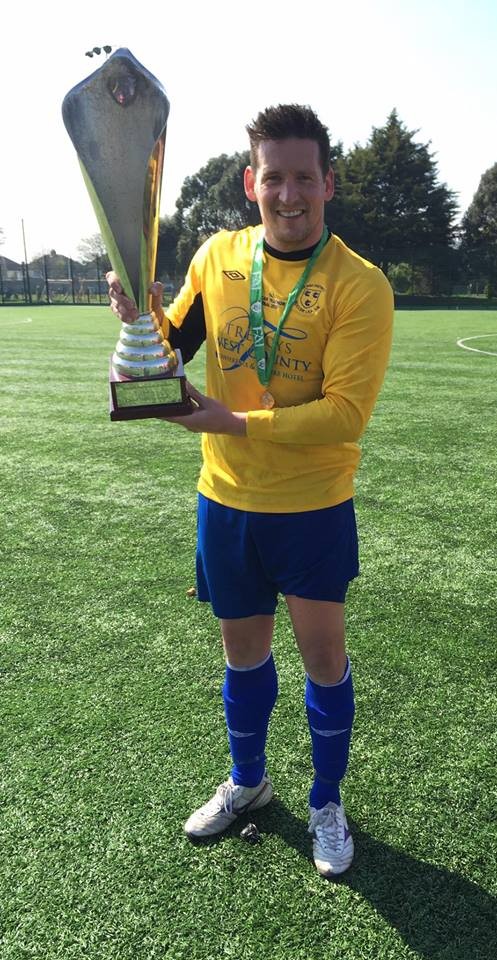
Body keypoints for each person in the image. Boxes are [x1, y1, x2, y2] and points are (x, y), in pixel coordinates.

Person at [107, 103, 394, 878]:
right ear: (250, 183)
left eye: (305, 177)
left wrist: (232, 422)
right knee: (242, 659)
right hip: (227, 503)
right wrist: (140, 323)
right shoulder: (217, 256)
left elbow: (343, 415)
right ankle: (249, 781)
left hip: (311, 508)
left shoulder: (359, 285)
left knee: (323, 660)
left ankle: (325, 800)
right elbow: (176, 342)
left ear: (328, 184)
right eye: (275, 177)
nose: (289, 193)